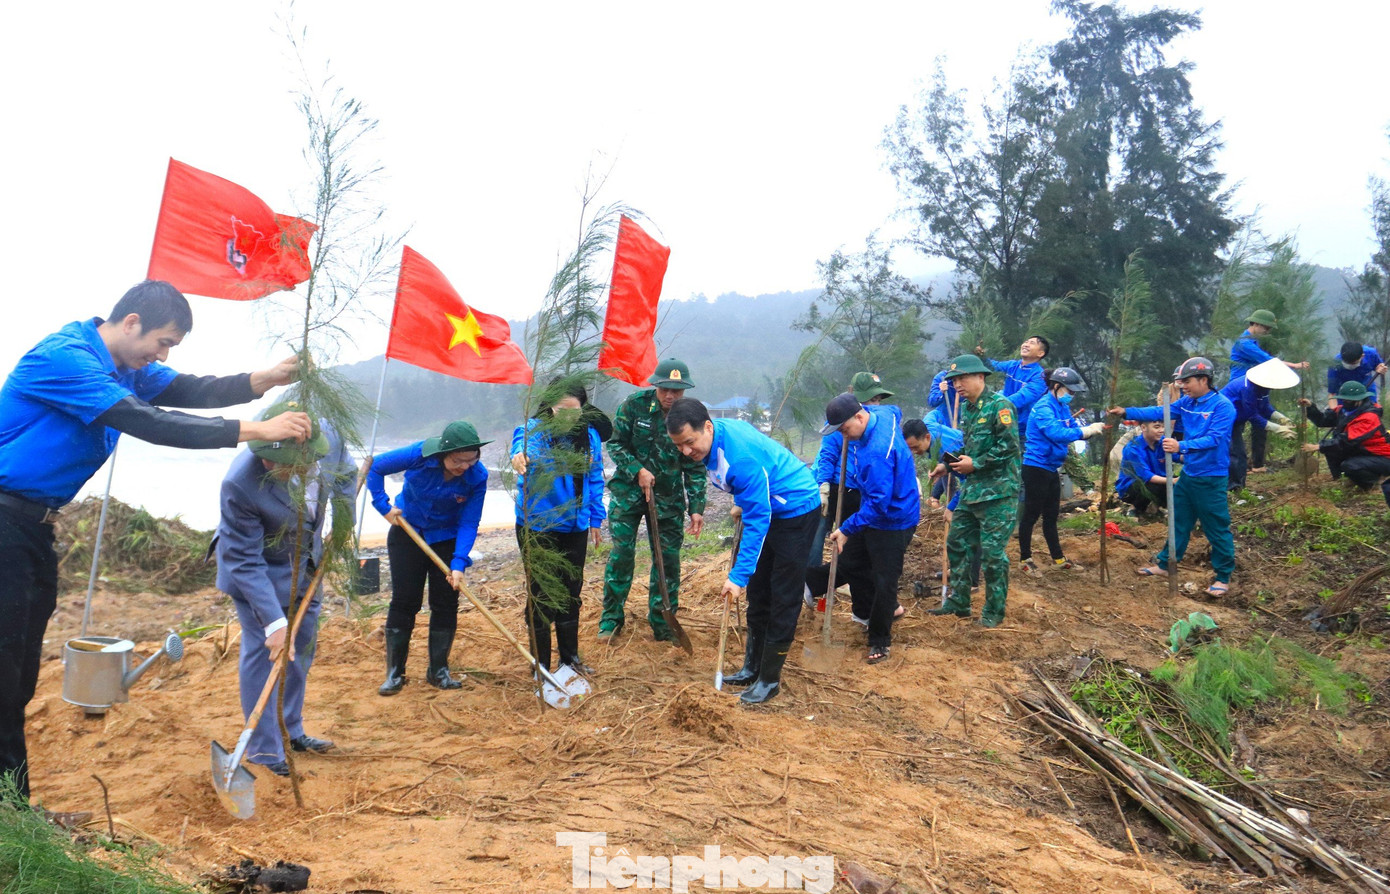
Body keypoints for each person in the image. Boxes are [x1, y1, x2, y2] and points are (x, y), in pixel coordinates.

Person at [0, 280, 307, 806]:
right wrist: (256, 430)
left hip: (32, 530)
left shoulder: (128, 367)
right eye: (162, 343)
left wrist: (265, 379)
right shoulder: (67, 359)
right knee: (4, 673)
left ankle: (15, 808)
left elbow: (190, 389)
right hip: (5, 524)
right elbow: (148, 422)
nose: (161, 357)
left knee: (20, 676)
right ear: (132, 321)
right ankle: (14, 816)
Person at [216, 402, 355, 776]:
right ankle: (262, 750)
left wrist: (344, 521)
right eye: (265, 458)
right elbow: (244, 560)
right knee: (266, 653)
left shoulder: (329, 441)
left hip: (308, 562)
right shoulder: (240, 483)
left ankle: (290, 729)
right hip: (259, 571)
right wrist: (274, 623)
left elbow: (347, 475)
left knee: (301, 649)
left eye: (278, 463)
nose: (267, 467)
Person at [666, 398, 819, 704]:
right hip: (769, 502)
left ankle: (769, 679)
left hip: (796, 510)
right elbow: (752, 486)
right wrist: (744, 498)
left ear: (707, 427)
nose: (685, 451)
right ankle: (752, 666)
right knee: (759, 593)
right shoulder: (716, 438)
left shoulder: (739, 458)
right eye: (679, 445)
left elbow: (759, 519)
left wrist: (738, 576)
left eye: (690, 442)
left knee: (782, 595)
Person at [367, 420, 491, 695]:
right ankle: (395, 673)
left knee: (446, 602)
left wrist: (459, 563)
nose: (465, 467)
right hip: (408, 534)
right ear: (444, 452)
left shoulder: (477, 477)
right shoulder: (419, 454)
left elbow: (469, 522)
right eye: (459, 460)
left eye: (471, 460)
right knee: (404, 601)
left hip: (445, 540)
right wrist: (383, 506)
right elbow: (375, 467)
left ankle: (439, 671)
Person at [1108, 357, 1236, 598]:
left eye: (1186, 381)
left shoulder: (1222, 406)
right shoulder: (1188, 402)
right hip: (1189, 475)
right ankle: (1166, 564)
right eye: (1180, 382)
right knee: (1179, 521)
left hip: (1211, 477)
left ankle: (1223, 576)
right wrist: (1127, 411)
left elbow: (1215, 439)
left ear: (1203, 380)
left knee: (1216, 526)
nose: (1182, 387)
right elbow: (1160, 411)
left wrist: (1181, 446)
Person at [807, 394, 920, 664]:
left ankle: (879, 640)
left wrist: (847, 528)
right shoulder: (883, 414)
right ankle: (807, 582)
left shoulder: (876, 453)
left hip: (894, 519)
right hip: (872, 509)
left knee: (884, 579)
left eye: (845, 430)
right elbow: (895, 407)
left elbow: (880, 504)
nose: (844, 437)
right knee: (851, 561)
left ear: (859, 418)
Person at [599, 359, 706, 642]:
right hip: (628, 494)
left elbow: (695, 463)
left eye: (677, 390)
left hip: (669, 499)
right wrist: (638, 470)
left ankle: (662, 621)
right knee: (622, 555)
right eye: (664, 389)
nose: (670, 395)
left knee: (667, 560)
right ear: (655, 385)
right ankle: (611, 619)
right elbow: (615, 444)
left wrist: (696, 508)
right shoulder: (633, 406)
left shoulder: (690, 415)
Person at [511, 382, 606, 678]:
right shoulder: (532, 431)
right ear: (549, 407)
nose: (567, 417)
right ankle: (539, 663)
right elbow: (520, 452)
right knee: (541, 593)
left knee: (570, 592)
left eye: (573, 411)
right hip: (538, 525)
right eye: (560, 410)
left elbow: (594, 479)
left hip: (575, 525)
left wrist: (595, 520)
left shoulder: (589, 436)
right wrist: (519, 458)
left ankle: (570, 658)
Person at [927, 354, 1021, 628]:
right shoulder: (968, 409)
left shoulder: (1000, 406)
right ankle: (959, 601)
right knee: (956, 542)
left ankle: (993, 610)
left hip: (999, 493)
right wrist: (948, 464)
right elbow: (969, 447)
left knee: (992, 554)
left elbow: (1010, 447)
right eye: (954, 380)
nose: (957, 385)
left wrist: (976, 463)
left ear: (980, 376)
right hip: (973, 489)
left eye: (962, 378)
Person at [1018, 368, 1107, 575]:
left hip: (1051, 467)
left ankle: (1058, 558)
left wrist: (1092, 430)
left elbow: (1071, 428)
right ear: (1056, 386)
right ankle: (1025, 559)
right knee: (1031, 515)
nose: (1071, 395)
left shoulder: (1061, 407)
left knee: (1051, 515)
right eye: (1070, 390)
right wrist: (1085, 431)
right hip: (1036, 468)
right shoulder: (1043, 408)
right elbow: (1056, 433)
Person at [807, 372, 898, 567]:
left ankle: (845, 575)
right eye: (871, 399)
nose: (875, 405)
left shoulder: (879, 424)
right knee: (818, 531)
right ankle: (808, 579)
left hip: (858, 490)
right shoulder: (842, 421)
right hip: (835, 485)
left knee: (849, 536)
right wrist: (823, 486)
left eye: (878, 400)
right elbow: (828, 454)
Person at [1229, 310, 1309, 474]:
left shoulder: (1253, 341)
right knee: (1238, 428)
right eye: (1266, 328)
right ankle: (1239, 471)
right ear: (1255, 324)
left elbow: (1265, 407)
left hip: (1256, 384)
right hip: (1242, 388)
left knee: (1259, 423)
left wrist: (1280, 419)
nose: (1267, 332)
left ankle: (1256, 464)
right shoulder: (1244, 343)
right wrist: (1294, 365)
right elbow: (1268, 360)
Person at [1301, 381, 1390, 506]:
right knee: (1332, 451)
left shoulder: (1369, 417)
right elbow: (1323, 420)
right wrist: (1310, 407)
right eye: (1344, 400)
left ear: (1359, 400)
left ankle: (1373, 484)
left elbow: (1347, 441)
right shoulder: (1344, 411)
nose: (1344, 403)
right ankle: (1343, 480)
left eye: (1348, 400)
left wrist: (1319, 446)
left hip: (1383, 458)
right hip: (1364, 452)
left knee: (1350, 465)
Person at [1220, 365, 1295, 490]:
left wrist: (1280, 417)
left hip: (1237, 418)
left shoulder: (1263, 388)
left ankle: (1237, 485)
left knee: (1236, 452)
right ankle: (1234, 487)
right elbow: (1253, 415)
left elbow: (1264, 406)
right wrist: (1277, 429)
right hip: (1225, 419)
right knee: (1236, 453)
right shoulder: (1247, 388)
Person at [982, 336, 1049, 454]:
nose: (1026, 344)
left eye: (1032, 343)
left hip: (1022, 429)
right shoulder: (1013, 365)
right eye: (1026, 342)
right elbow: (993, 365)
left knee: (1019, 465)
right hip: (1003, 423)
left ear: (1040, 353)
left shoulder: (1039, 376)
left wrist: (995, 405)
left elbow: (1021, 398)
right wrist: (981, 356)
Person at [1115, 421, 1171, 517]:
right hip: (1133, 487)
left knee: (1183, 483)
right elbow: (1146, 475)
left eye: (1163, 426)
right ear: (1144, 427)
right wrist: (1171, 481)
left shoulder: (1163, 442)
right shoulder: (1133, 448)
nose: (1162, 430)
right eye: (1157, 427)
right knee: (1152, 486)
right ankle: (1134, 508)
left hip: (1158, 481)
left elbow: (1177, 457)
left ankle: (1157, 507)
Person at [1327, 342, 1386, 408]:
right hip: (1346, 395)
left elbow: (1379, 366)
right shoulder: (1334, 365)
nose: (1349, 365)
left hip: (1367, 390)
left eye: (1353, 363)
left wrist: (1380, 368)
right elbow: (1332, 394)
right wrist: (1334, 412)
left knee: (1371, 411)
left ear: (1362, 356)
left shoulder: (1371, 354)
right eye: (1347, 363)